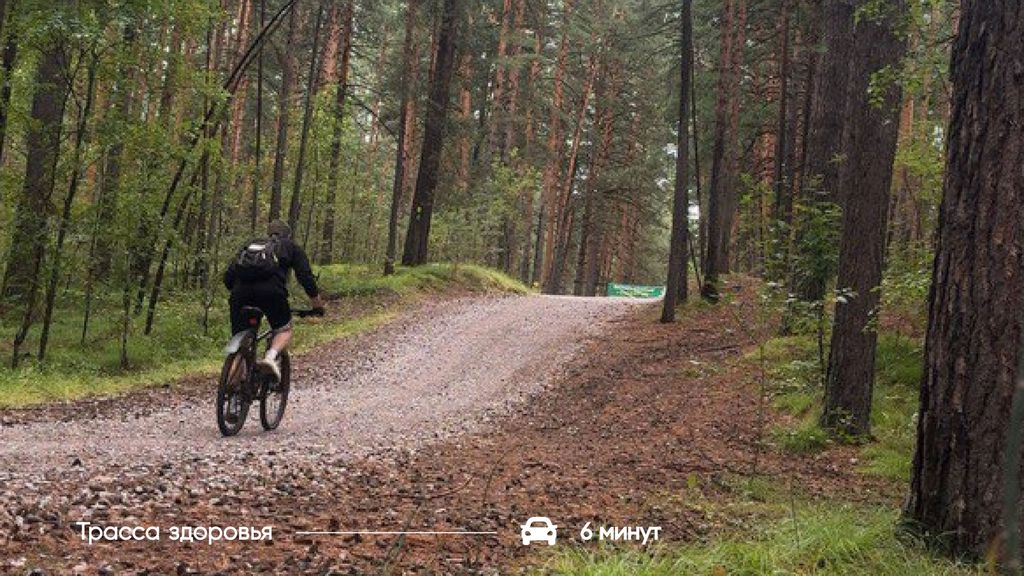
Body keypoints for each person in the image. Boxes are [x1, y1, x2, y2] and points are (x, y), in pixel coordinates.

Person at [223, 219, 324, 382]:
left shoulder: (250, 246)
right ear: (288, 235)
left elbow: (228, 277)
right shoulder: (291, 247)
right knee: (284, 329)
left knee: (241, 339)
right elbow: (305, 277)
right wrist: (317, 305)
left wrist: (240, 293)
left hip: (239, 295)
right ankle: (270, 358)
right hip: (272, 294)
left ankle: (233, 387)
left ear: (269, 233)